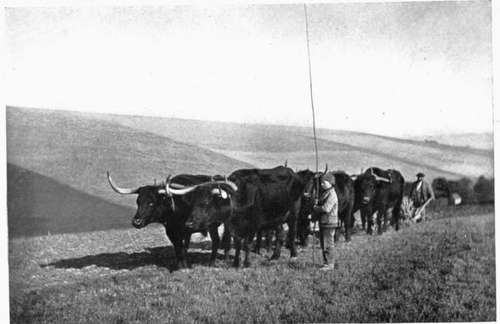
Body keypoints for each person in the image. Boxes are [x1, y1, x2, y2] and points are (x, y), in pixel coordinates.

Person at [312, 172, 339, 271]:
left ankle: (330, 264)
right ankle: (326, 263)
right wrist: (317, 202)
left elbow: (326, 208)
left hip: (329, 222)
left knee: (328, 244)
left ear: (331, 183)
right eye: (322, 182)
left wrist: (316, 208)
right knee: (324, 244)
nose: (322, 184)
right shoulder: (326, 193)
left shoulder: (332, 194)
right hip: (324, 222)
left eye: (324, 182)